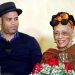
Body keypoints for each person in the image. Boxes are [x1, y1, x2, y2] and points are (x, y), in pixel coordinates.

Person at [0, 2, 42, 75]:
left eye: (16, 19)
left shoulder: (30, 42)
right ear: (0, 21)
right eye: (9, 19)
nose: (14, 23)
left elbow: (39, 69)